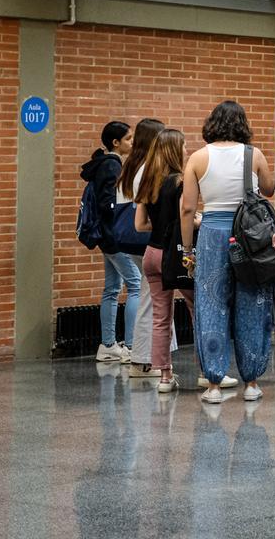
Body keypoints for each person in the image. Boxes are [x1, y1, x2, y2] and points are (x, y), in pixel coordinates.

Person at [181, 100, 275, 404]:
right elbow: (269, 190)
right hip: (247, 237)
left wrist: (187, 249)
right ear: (243, 125)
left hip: (211, 234)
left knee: (211, 304)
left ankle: (213, 384)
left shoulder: (197, 158)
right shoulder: (255, 155)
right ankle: (251, 382)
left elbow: (187, 208)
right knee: (251, 303)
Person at [133, 128, 193, 392]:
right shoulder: (180, 182)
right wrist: (197, 221)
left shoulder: (148, 182)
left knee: (160, 317)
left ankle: (165, 377)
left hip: (151, 254)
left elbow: (139, 225)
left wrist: (161, 226)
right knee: (198, 308)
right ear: (173, 150)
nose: (187, 151)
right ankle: (209, 370)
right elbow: (185, 217)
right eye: (184, 146)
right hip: (175, 255)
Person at [81, 121, 141, 363]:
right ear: (116, 143)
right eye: (128, 139)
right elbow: (108, 204)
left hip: (105, 238)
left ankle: (108, 345)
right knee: (135, 284)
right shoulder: (113, 165)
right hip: (114, 237)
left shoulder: (104, 164)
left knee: (112, 288)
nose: (132, 142)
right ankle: (132, 346)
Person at [117, 118, 164, 378]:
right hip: (146, 240)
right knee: (150, 299)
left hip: (129, 241)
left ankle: (155, 357)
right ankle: (144, 359)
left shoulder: (131, 165)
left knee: (151, 296)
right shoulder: (149, 169)